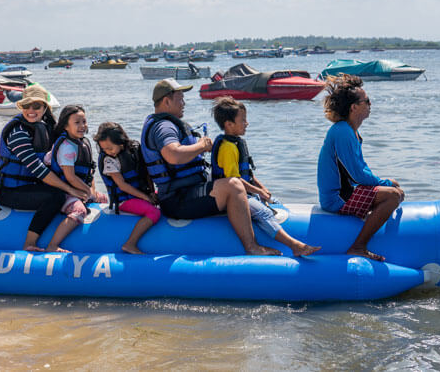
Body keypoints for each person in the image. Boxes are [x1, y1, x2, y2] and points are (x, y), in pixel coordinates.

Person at [141, 78, 279, 256]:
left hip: (184, 193)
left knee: (238, 184)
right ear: (167, 101)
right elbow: (173, 155)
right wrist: (202, 145)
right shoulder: (163, 127)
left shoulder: (166, 124)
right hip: (178, 201)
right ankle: (252, 246)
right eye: (180, 99)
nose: (184, 103)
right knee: (233, 185)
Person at [211, 97, 320, 257]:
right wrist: (258, 192)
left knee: (275, 202)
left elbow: (247, 175)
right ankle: (294, 245)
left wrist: (262, 189)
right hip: (234, 198)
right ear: (229, 124)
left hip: (245, 192)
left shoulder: (235, 144)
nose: (246, 123)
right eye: (243, 120)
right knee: (264, 213)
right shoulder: (227, 148)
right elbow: (234, 181)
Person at [317, 74, 404, 261]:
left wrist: (386, 183)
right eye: (367, 101)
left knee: (393, 188)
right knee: (393, 195)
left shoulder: (351, 131)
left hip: (348, 191)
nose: (370, 104)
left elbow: (359, 170)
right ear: (354, 107)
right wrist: (386, 184)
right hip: (337, 198)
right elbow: (357, 175)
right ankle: (358, 246)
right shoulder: (342, 132)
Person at [0, 84, 88, 252]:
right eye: (26, 106)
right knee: (57, 197)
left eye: (36, 106)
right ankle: (29, 243)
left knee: (70, 194)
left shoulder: (46, 127)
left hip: (34, 186)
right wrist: (70, 190)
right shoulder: (18, 132)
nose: (31, 110)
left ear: (45, 107)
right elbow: (38, 169)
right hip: (11, 191)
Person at [45, 105, 107, 252]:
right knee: (80, 211)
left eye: (84, 121)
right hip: (63, 191)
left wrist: (93, 191)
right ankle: (52, 245)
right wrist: (88, 192)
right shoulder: (67, 147)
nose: (82, 126)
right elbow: (70, 177)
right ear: (66, 126)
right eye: (77, 122)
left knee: (103, 198)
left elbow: (88, 172)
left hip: (77, 189)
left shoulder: (82, 143)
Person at [94, 122, 160, 254]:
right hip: (124, 200)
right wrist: (146, 198)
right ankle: (130, 244)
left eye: (110, 148)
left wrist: (152, 193)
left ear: (121, 142)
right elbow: (122, 185)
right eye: (104, 149)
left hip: (140, 194)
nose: (108, 152)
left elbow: (146, 174)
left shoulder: (135, 150)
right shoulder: (109, 160)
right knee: (154, 212)